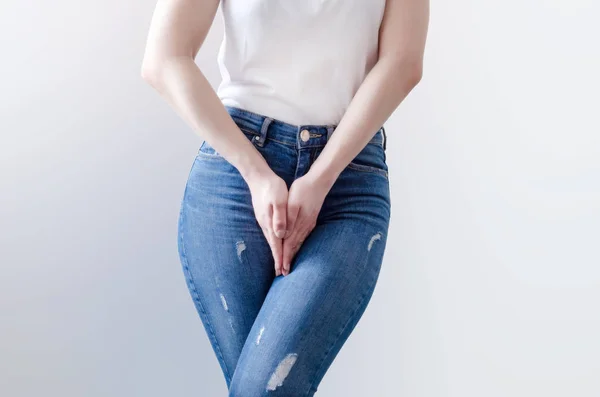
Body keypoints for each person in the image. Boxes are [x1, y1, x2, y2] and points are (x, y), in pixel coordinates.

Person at [141, 0, 429, 395]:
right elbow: (164, 58)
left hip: (347, 183)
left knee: (263, 388)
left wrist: (321, 176)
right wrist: (257, 175)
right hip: (234, 179)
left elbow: (403, 63)